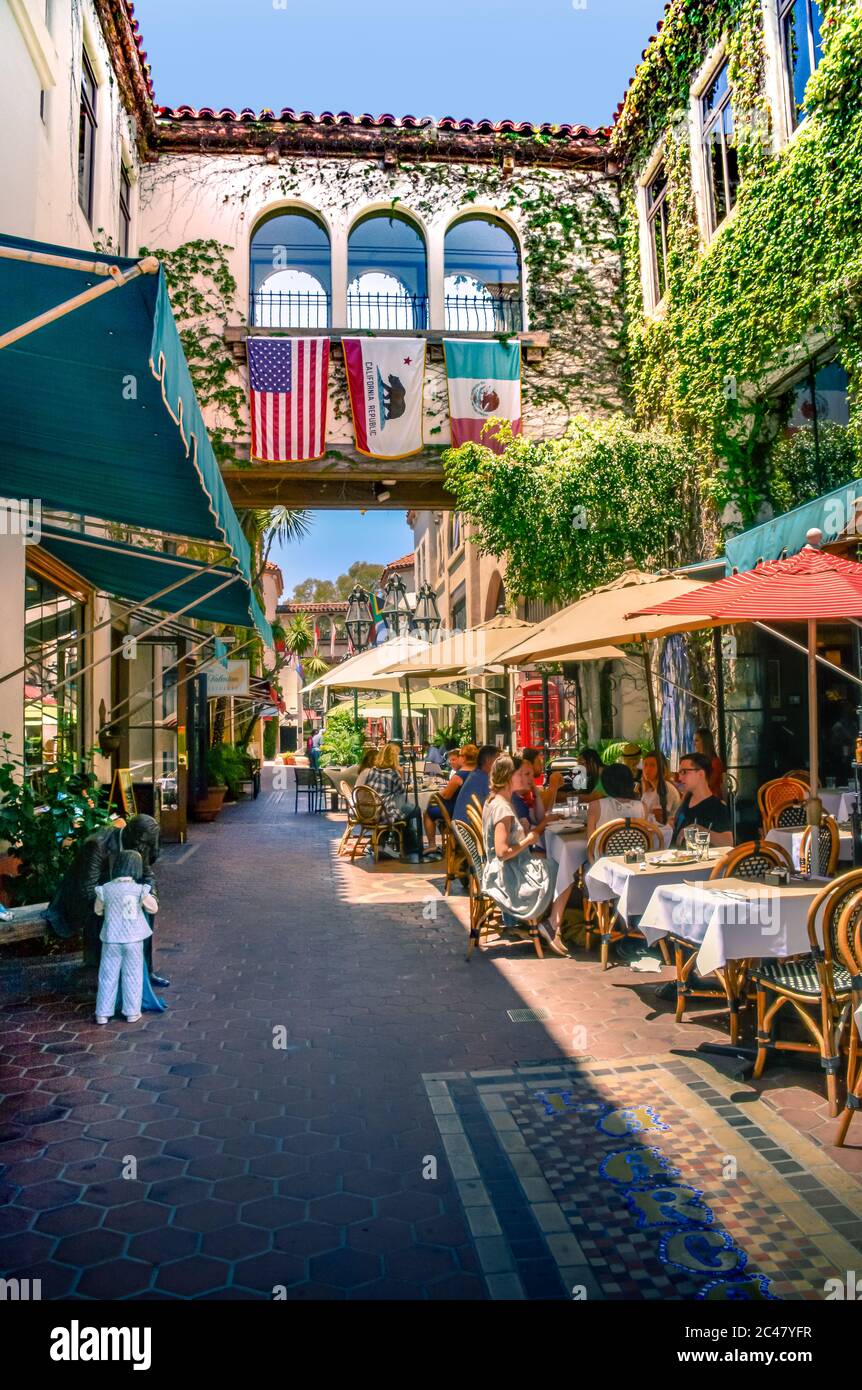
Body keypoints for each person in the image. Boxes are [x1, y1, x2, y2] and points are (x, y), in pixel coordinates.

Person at [481, 754, 564, 956]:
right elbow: (502, 852)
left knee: (554, 863)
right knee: (561, 868)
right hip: (508, 876)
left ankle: (552, 923)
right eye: (521, 774)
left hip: (507, 867)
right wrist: (529, 839)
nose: (527, 778)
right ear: (509, 777)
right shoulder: (504, 809)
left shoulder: (497, 801)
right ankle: (553, 924)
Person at [94, 850, 159, 1025]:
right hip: (133, 938)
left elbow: (97, 910)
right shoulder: (139, 890)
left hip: (111, 938)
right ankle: (132, 1012)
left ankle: (102, 1013)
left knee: (107, 975)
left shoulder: (105, 889)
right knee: (133, 975)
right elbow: (153, 909)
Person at [363, 742, 423, 860]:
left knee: (405, 812)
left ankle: (401, 843)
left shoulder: (372, 770)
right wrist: (400, 775)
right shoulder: (392, 773)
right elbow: (401, 791)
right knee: (415, 809)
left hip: (371, 810)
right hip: (386, 811)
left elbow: (367, 787)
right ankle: (415, 846)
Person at [672, 751, 733, 847]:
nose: (679, 777)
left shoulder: (716, 807)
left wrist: (697, 829)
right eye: (679, 772)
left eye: (684, 772)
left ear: (700, 774)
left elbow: (728, 842)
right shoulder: (686, 799)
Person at [423, 747, 467, 854]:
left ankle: (432, 845)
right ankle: (448, 840)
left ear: (462, 759)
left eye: (454, 759)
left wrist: (439, 793)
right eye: (450, 760)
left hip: (455, 811)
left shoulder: (458, 776)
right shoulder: (473, 773)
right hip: (464, 808)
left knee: (428, 813)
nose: (451, 762)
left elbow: (446, 796)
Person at [586, 762, 647, 839]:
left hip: (604, 850)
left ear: (605, 783)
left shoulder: (595, 806)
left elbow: (590, 842)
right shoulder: (642, 807)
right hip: (636, 850)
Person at [452, 745, 497, 824]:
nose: (500, 764)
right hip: (470, 831)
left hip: (461, 826)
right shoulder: (484, 779)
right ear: (488, 760)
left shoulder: (476, 774)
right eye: (497, 760)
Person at [638, 750, 681, 825]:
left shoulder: (665, 788)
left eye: (652, 765)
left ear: (662, 768)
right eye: (645, 765)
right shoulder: (648, 791)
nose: (648, 769)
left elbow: (659, 820)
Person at [519, 747, 565, 814]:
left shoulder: (531, 785)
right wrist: (554, 783)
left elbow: (547, 808)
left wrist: (555, 786)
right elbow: (544, 808)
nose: (541, 765)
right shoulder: (524, 787)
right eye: (539, 761)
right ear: (529, 764)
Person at [694, 727, 725, 799]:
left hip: (711, 799)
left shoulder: (715, 762)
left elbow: (708, 784)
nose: (694, 744)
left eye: (697, 740)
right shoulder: (695, 760)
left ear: (705, 742)